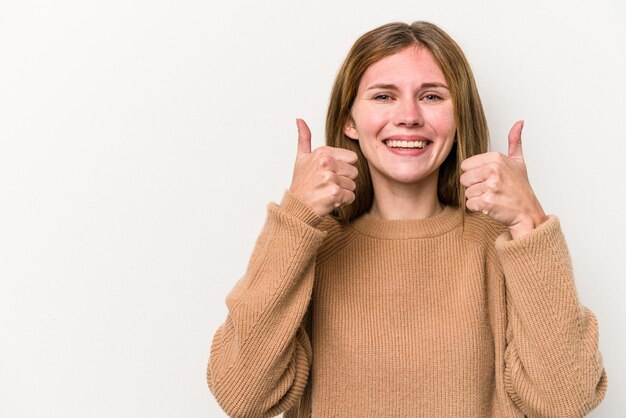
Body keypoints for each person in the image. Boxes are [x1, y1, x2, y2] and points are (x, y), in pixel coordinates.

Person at [206, 21, 607, 417]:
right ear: (350, 121)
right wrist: (295, 218)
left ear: (457, 117)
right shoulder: (311, 246)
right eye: (383, 96)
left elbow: (565, 402)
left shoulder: (501, 246)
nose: (409, 116)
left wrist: (528, 222)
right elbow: (244, 397)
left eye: (432, 96)